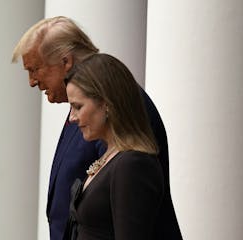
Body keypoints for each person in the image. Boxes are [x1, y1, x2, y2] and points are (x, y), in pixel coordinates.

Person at [11, 16, 182, 240]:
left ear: (66, 62)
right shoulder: (90, 114)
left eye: (35, 69)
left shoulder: (121, 118)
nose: (32, 81)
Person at [63, 53, 180, 239]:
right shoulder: (112, 156)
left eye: (77, 107)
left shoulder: (133, 164)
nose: (72, 118)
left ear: (106, 103)